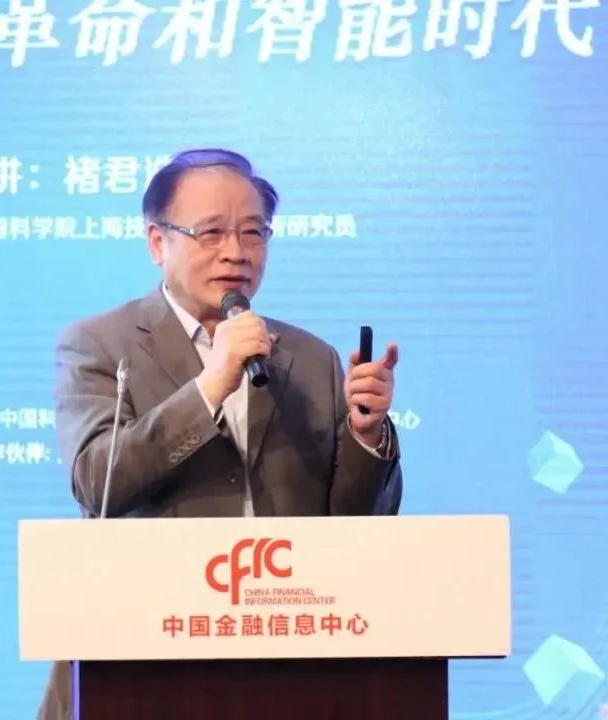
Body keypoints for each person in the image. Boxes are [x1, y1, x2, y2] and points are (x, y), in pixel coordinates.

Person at [35, 148, 402, 720]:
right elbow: (96, 480)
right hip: (141, 662)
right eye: (211, 233)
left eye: (253, 233)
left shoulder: (310, 358)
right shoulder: (100, 344)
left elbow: (353, 528)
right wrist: (209, 387)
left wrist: (365, 432)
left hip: (290, 667)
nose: (236, 252)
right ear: (157, 242)